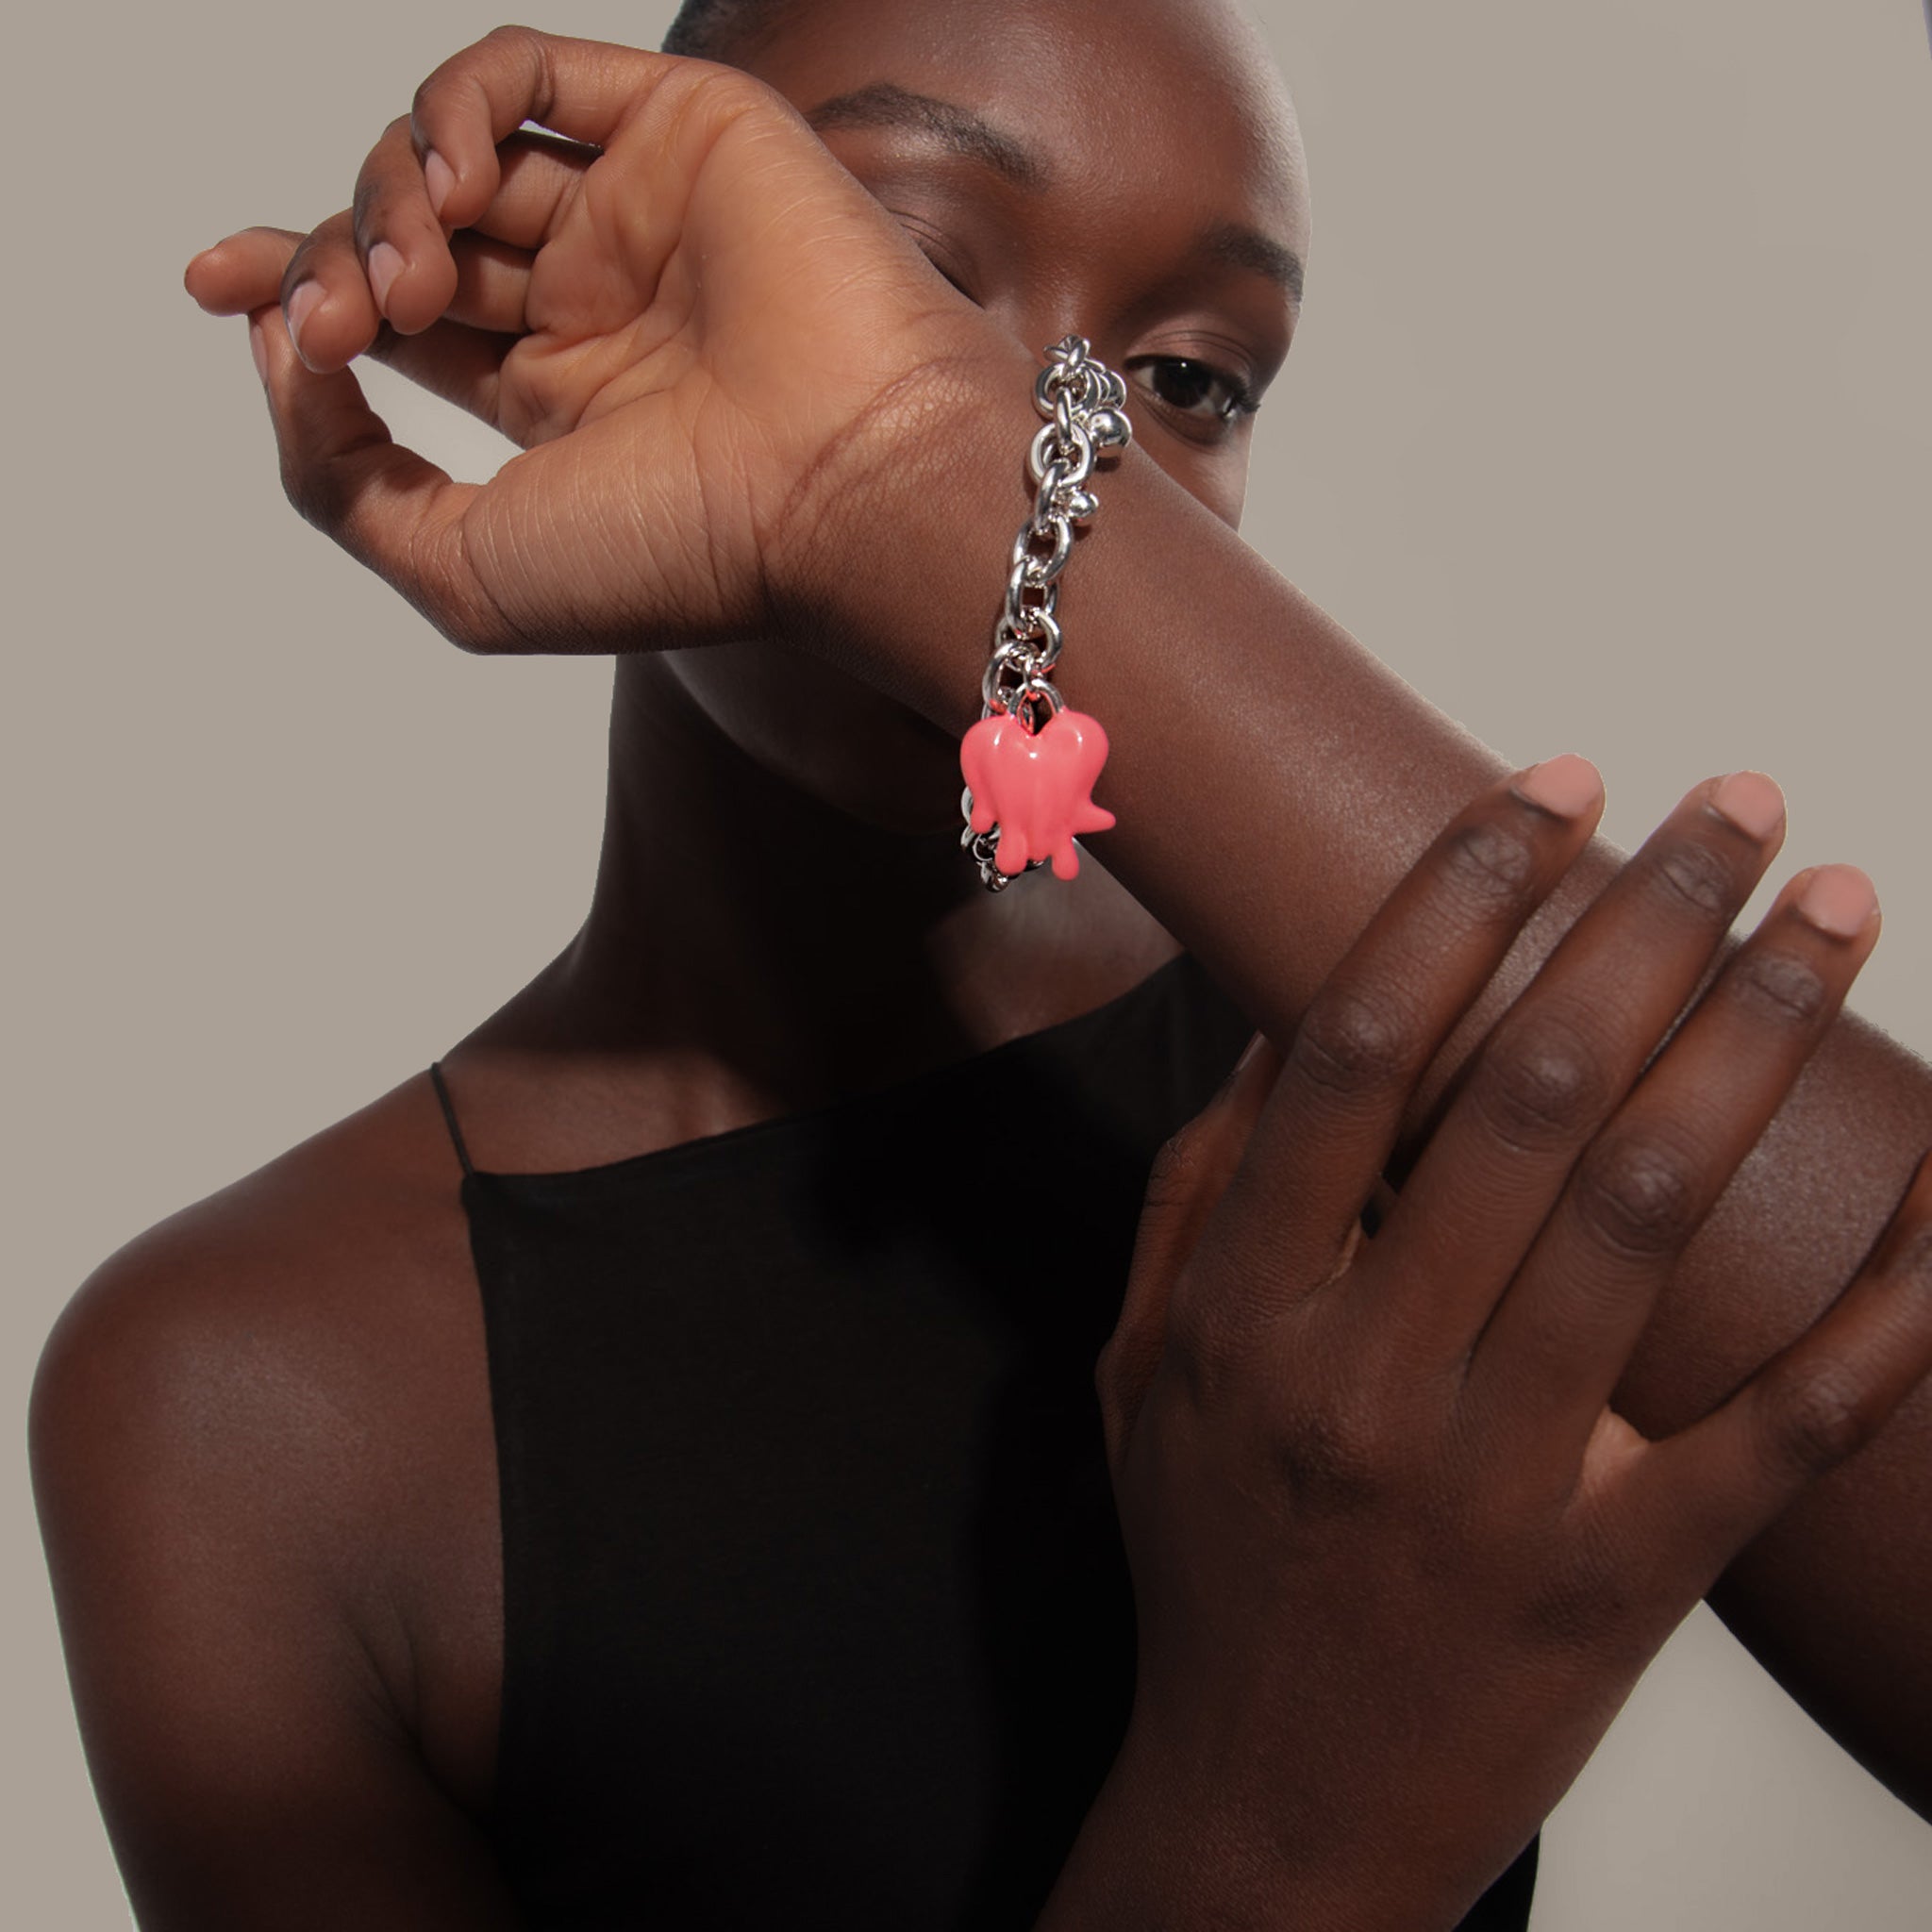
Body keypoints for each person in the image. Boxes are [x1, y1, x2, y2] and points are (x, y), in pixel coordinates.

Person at [29, 2, 1932, 1926]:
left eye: (1188, 380)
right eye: (916, 279)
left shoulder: (1357, 1048)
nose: (1055, 444)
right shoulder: (243, 1404)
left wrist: (918, 475)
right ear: (594, 304)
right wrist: (1286, 1829)